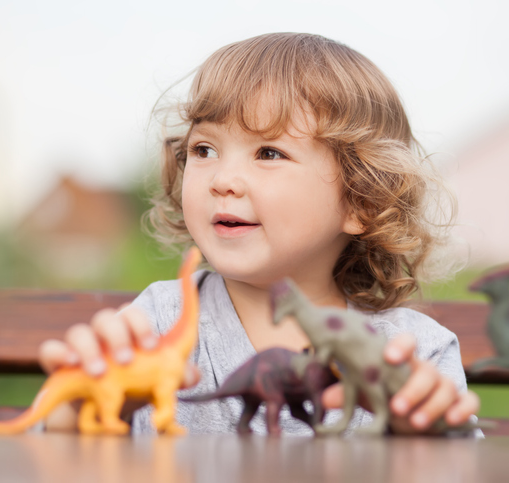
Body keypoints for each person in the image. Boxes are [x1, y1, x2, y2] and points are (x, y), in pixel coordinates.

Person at [38, 32, 480, 435]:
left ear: (361, 199)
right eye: (204, 149)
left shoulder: (414, 351)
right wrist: (75, 412)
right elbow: (45, 451)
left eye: (269, 152)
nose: (223, 179)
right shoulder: (154, 323)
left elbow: (465, 462)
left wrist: (432, 433)